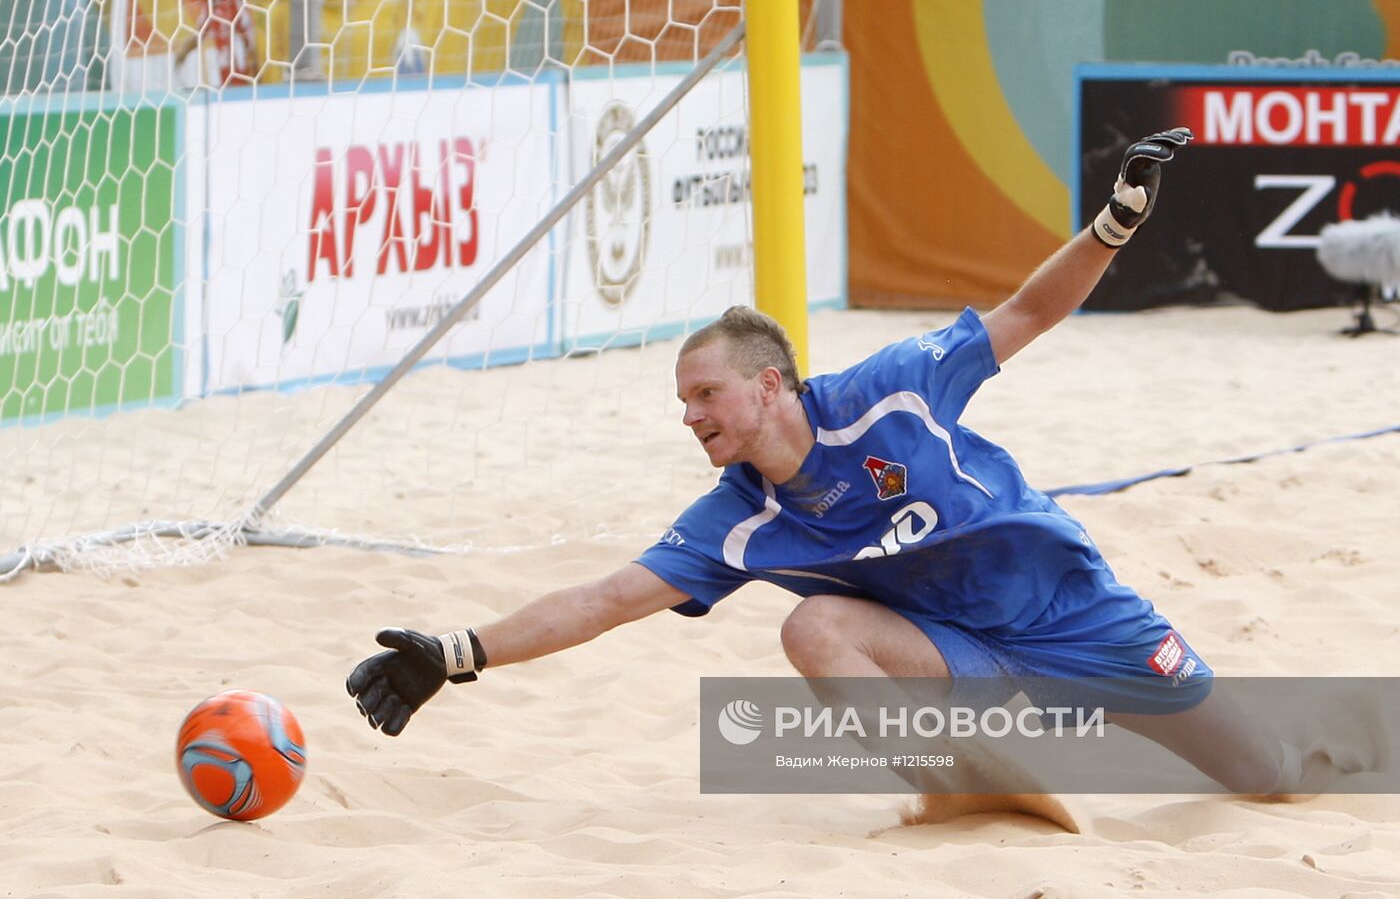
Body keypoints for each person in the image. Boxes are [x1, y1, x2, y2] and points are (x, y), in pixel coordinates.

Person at [346, 127, 1299, 807]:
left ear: (769, 386)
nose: (690, 416)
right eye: (683, 404)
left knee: (1268, 775)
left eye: (704, 396)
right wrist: (459, 650)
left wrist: (1113, 227)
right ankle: (964, 785)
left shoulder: (893, 389)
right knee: (814, 626)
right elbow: (603, 599)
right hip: (960, 661)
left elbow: (1027, 314)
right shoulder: (738, 517)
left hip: (1073, 614)